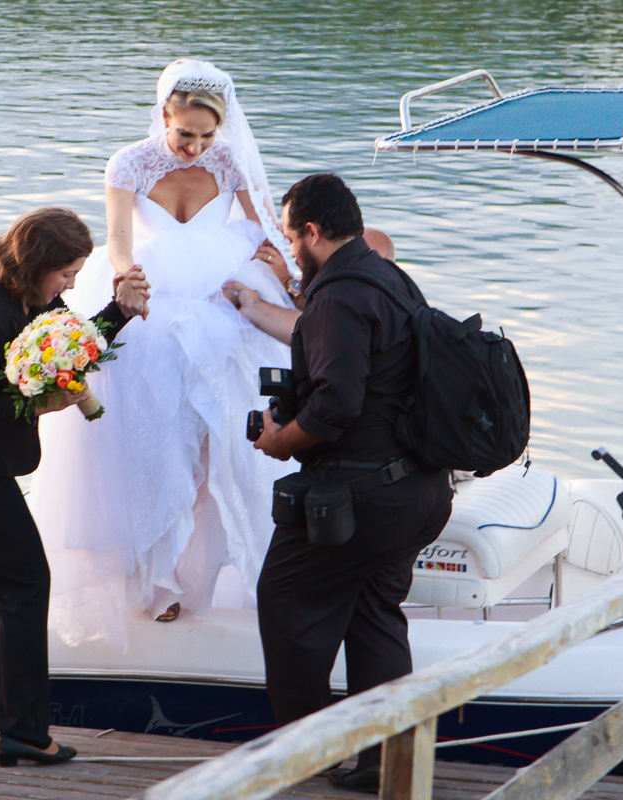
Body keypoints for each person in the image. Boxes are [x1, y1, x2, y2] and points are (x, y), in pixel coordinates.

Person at [29, 58, 294, 648]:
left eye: (207, 135)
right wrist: (130, 282)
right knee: (153, 446)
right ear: (164, 116)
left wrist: (286, 275)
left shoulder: (229, 162)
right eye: (185, 134)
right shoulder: (128, 164)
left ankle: (204, 571)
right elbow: (120, 241)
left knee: (217, 443)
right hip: (152, 309)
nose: (195, 148)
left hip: (219, 309)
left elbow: (266, 230)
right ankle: (158, 582)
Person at [0, 208, 149, 764]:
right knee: (26, 581)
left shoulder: (32, 297)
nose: (69, 286)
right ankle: (24, 730)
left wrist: (121, 311)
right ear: (38, 264)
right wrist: (40, 402)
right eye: (66, 275)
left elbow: (71, 347)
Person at [252, 174, 452, 793]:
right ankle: (384, 762)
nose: (290, 251)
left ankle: (310, 754)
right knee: (374, 616)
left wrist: (279, 438)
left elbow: (337, 406)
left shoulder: (339, 296)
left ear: (313, 232)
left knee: (285, 601)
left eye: (291, 238)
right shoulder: (390, 277)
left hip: (363, 495)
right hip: (418, 488)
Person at [226, 226, 396, 346]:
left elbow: (315, 322)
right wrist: (285, 278)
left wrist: (258, 304)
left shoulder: (379, 309)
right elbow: (309, 299)